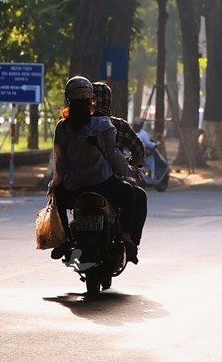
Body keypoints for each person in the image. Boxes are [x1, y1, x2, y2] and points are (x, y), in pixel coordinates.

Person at [47, 75, 139, 263]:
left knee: (57, 199)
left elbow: (60, 161)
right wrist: (129, 172)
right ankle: (127, 238)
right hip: (102, 181)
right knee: (129, 194)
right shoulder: (102, 124)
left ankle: (64, 239)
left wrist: (55, 184)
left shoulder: (63, 128)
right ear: (91, 100)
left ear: (68, 100)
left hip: (74, 186)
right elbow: (112, 155)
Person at [92, 81, 148, 252]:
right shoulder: (114, 126)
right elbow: (132, 150)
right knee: (136, 195)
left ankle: (63, 238)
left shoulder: (73, 124)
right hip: (108, 181)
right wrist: (131, 167)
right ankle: (128, 239)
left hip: (75, 181)